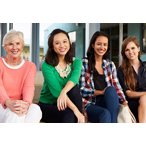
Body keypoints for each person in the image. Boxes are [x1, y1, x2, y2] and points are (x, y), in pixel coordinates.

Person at [79, 31, 127, 123]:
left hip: (108, 103)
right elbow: (81, 90)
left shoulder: (110, 64)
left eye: (105, 44)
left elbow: (117, 87)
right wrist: (101, 92)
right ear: (92, 44)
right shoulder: (84, 63)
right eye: (99, 44)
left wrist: (125, 102)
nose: (102, 47)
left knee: (111, 90)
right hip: (90, 105)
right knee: (105, 113)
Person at [38, 29, 85, 123]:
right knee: (70, 115)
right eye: (57, 43)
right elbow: (56, 91)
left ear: (69, 42)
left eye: (65, 41)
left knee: (74, 89)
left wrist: (64, 91)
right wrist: (77, 111)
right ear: (52, 46)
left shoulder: (77, 62)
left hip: (67, 103)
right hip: (49, 105)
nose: (62, 45)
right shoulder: (46, 65)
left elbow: (74, 79)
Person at [0, 29, 42, 123]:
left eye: (18, 43)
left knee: (35, 109)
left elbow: (29, 87)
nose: (15, 47)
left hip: (21, 104)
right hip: (2, 105)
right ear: (5, 47)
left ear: (22, 46)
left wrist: (26, 104)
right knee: (15, 114)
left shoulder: (30, 66)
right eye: (11, 44)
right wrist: (8, 102)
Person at [117, 36, 146, 123]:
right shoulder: (121, 70)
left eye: (133, 48)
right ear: (124, 53)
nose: (130, 52)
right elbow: (128, 93)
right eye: (127, 50)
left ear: (138, 49)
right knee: (144, 99)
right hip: (133, 104)